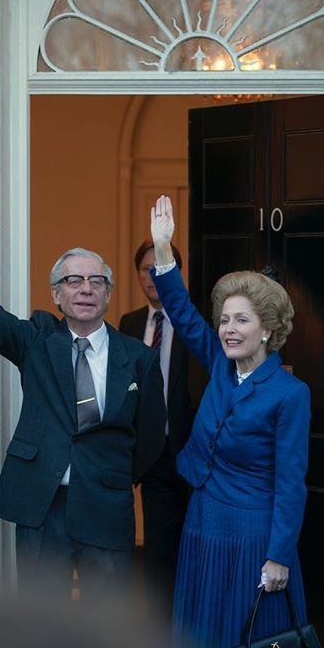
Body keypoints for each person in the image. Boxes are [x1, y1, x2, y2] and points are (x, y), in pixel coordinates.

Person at [0, 196, 166, 598]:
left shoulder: (137, 358)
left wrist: (110, 472)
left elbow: (150, 438)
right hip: (41, 504)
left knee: (107, 623)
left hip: (105, 502)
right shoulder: (36, 341)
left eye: (96, 281)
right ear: (56, 295)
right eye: (73, 281)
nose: (85, 289)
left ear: (108, 294)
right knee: (39, 618)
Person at [147, 195, 312, 648]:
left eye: (242, 320)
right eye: (224, 320)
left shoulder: (289, 393)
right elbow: (180, 309)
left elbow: (290, 482)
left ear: (268, 330)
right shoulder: (221, 364)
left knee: (247, 645)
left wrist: (279, 555)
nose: (228, 329)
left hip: (252, 536)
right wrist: (163, 248)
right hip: (203, 521)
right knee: (202, 638)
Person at [118, 239, 192, 615]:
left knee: (194, 549)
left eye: (160, 267)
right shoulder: (129, 324)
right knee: (158, 551)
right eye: (145, 269)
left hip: (194, 454)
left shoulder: (197, 325)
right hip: (152, 456)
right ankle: (160, 632)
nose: (152, 276)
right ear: (137, 275)